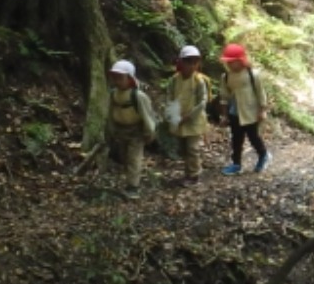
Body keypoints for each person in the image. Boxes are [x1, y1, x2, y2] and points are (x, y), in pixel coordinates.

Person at [217, 43, 271, 175]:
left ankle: (263, 155)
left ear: (240, 60)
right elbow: (224, 96)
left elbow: (260, 93)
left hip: (250, 112)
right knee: (236, 139)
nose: (229, 65)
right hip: (235, 112)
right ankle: (236, 164)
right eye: (228, 62)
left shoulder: (253, 74)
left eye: (232, 62)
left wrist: (262, 110)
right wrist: (224, 115)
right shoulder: (226, 77)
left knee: (254, 137)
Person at [105, 59, 157, 192]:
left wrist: (150, 132)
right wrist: (111, 130)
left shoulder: (137, 96)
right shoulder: (113, 94)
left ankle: (133, 186)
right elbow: (111, 113)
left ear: (129, 78)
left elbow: (147, 115)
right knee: (125, 157)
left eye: (120, 77)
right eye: (115, 77)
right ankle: (130, 179)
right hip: (121, 131)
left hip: (136, 132)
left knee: (134, 158)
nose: (117, 80)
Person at [165, 45, 213, 182]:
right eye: (188, 62)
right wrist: (173, 114)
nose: (192, 66)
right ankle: (188, 172)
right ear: (181, 62)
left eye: (195, 62)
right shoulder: (175, 80)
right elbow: (169, 96)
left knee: (192, 148)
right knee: (183, 148)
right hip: (179, 119)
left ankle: (194, 174)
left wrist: (190, 115)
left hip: (194, 120)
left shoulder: (199, 80)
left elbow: (202, 101)